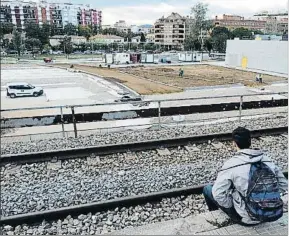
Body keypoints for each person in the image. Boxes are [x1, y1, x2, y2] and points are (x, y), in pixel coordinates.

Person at [203, 127, 288, 225]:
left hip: (246, 218)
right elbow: (284, 185)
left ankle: (216, 216)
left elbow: (218, 194)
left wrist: (233, 204)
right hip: (272, 213)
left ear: (234, 143)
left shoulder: (231, 164)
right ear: (250, 142)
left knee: (208, 189)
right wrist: (268, 198)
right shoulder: (267, 160)